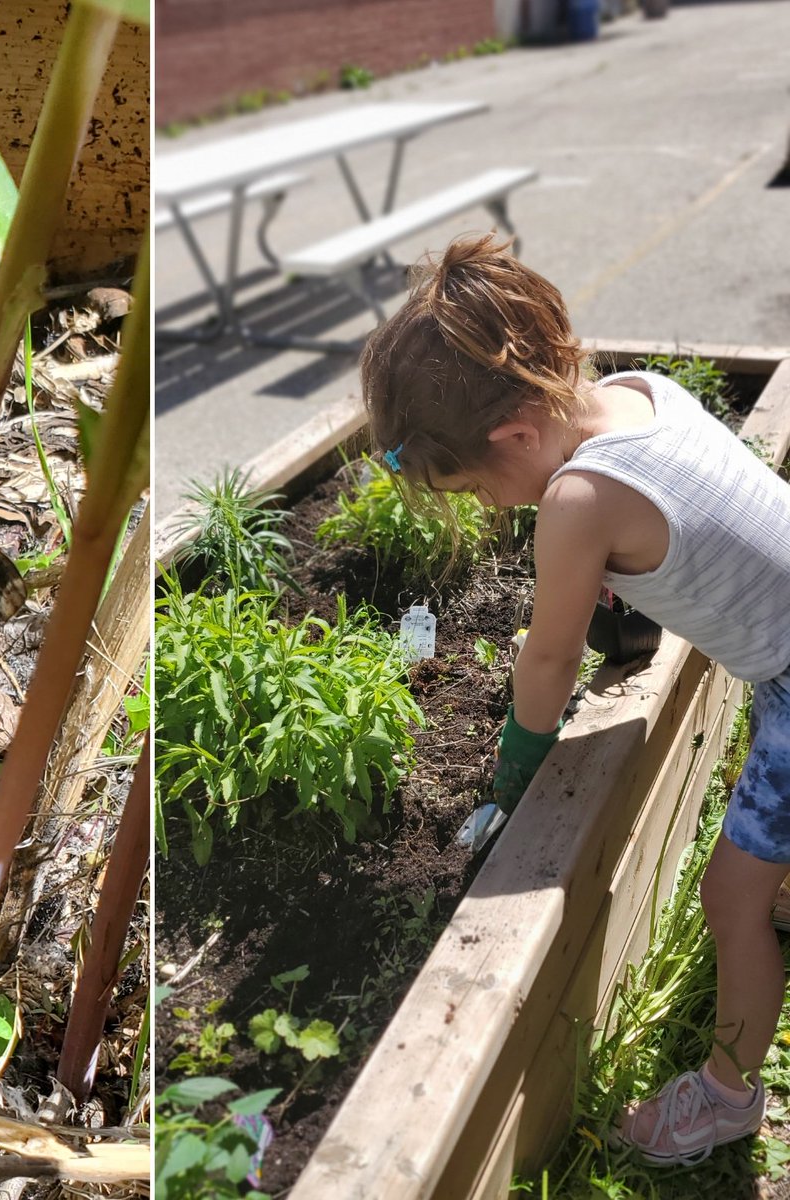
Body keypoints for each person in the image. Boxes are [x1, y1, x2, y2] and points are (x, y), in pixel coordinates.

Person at [361, 233, 790, 1166]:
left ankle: (726, 1097)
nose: (483, 507)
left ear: (514, 434)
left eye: (475, 486)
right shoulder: (642, 394)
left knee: (731, 900)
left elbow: (550, 661)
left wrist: (517, 766)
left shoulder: (578, 500)